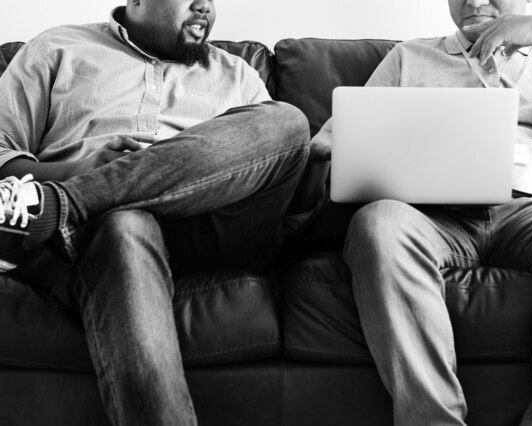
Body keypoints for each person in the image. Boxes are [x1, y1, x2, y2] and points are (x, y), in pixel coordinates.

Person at [0, 0, 321, 425]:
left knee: (287, 122)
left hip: (214, 228)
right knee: (123, 224)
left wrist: (321, 158)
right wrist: (79, 167)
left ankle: (66, 202)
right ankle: (86, 201)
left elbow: (273, 163)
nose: (204, 5)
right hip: (96, 238)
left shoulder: (239, 75)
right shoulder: (56, 49)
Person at [309, 0, 532, 425]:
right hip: (431, 217)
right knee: (379, 223)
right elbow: (328, 142)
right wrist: (370, 151)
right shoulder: (409, 57)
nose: (475, 1)